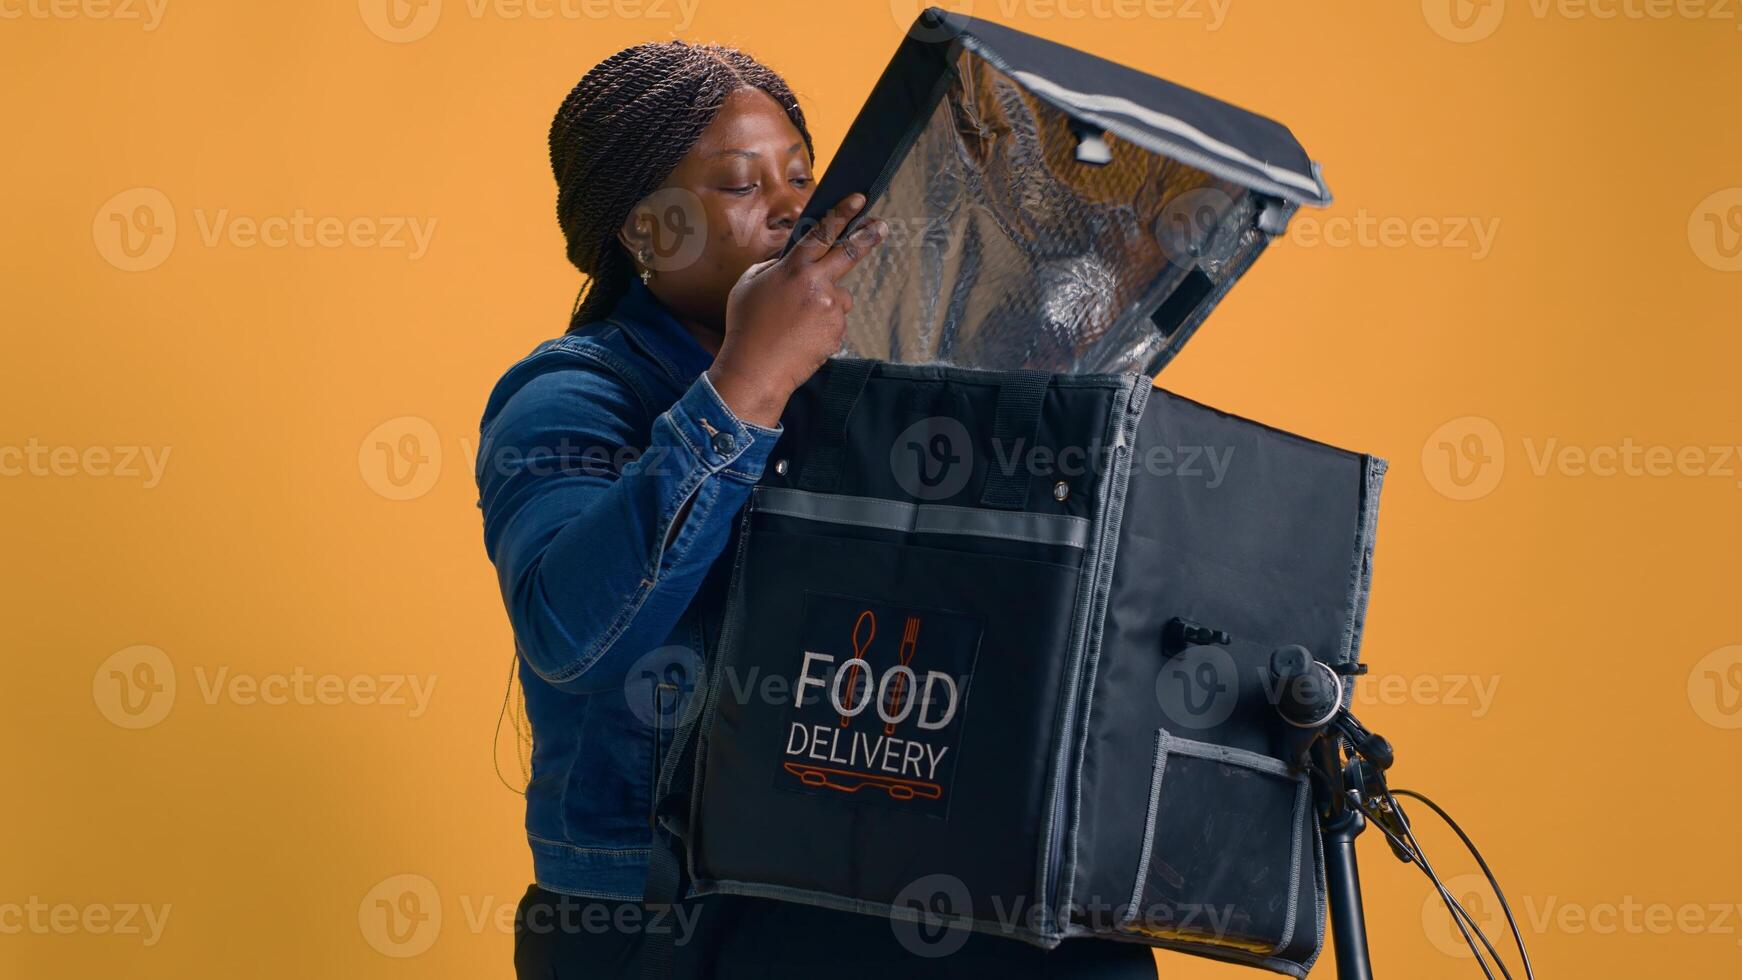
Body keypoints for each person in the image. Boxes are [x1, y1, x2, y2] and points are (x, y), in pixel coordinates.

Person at [476, 39, 1158, 980]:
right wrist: (747, 382)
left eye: (802, 174)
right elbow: (575, 636)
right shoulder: (569, 394)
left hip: (838, 867)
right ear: (646, 232)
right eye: (741, 184)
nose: (794, 207)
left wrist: (1103, 310)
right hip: (660, 909)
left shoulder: (851, 385)